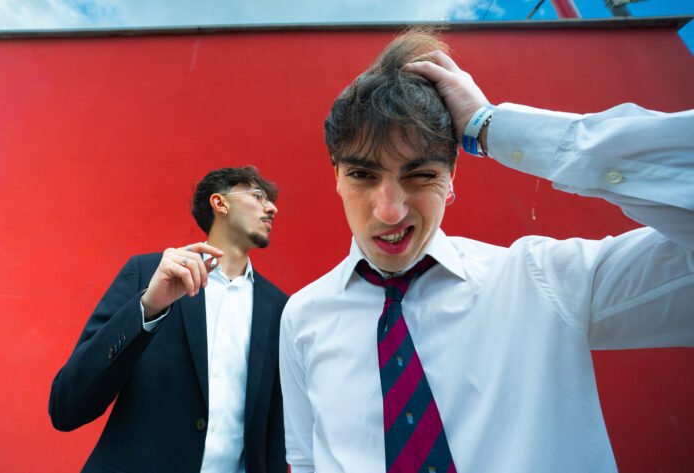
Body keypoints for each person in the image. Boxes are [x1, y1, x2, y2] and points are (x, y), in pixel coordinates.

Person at [279, 30, 694, 473]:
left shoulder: (544, 280)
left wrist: (491, 126)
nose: (390, 210)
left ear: (451, 176)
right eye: (363, 174)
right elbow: (306, 459)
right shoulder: (302, 317)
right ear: (336, 176)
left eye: (420, 175)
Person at [50, 166, 288, 473]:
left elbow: (275, 433)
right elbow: (66, 407)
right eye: (258, 196)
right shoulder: (148, 275)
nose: (272, 208)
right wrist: (147, 307)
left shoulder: (279, 307)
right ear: (220, 203)